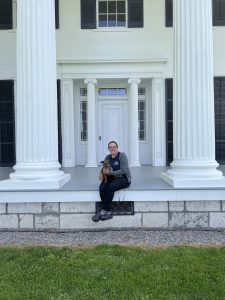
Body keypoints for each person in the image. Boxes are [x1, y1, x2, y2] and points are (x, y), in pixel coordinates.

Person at [92, 141, 131, 222]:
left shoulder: (122, 156)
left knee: (111, 187)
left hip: (124, 178)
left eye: (114, 146)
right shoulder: (107, 157)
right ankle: (108, 212)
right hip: (112, 177)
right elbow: (105, 168)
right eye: (110, 147)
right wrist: (102, 173)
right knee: (102, 187)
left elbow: (124, 170)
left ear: (117, 147)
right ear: (109, 149)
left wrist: (110, 173)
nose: (112, 148)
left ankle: (103, 211)